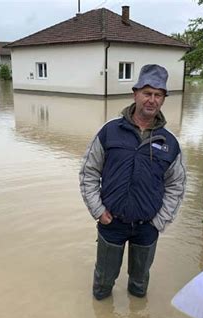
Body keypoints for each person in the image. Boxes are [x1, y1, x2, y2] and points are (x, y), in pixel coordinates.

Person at [79, 64, 186, 300]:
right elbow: (88, 173)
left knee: (139, 288)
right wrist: (98, 210)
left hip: (147, 227)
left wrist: (159, 222)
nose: (152, 100)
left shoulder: (170, 143)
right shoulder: (109, 131)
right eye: (147, 93)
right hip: (111, 223)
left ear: (164, 99)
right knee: (102, 286)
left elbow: (176, 186)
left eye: (158, 95)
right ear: (135, 93)